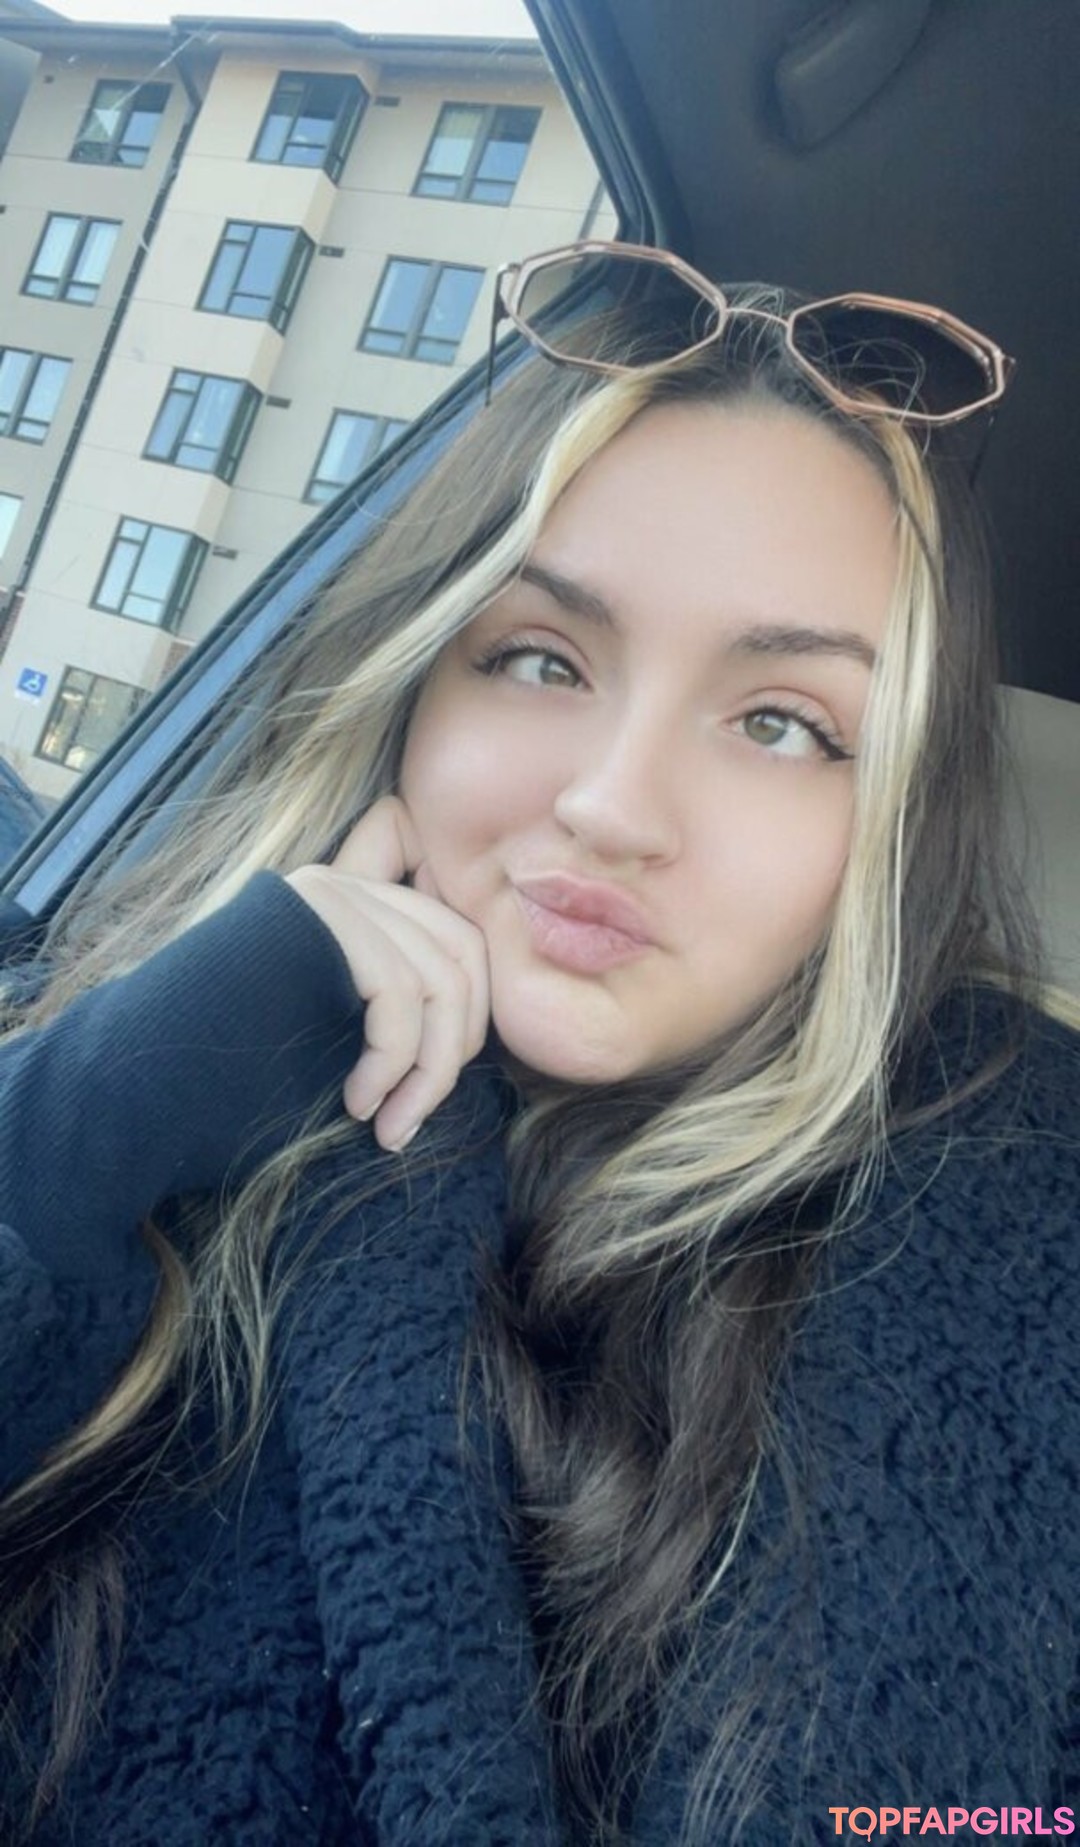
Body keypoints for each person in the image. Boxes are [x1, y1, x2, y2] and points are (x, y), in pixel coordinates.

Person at [0, 241, 1077, 1847]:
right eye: (539, 659)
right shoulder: (151, 1097)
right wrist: (81, 1129)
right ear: (412, 686)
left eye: (782, 724)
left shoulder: (1023, 1264)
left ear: (893, 835)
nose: (613, 805)